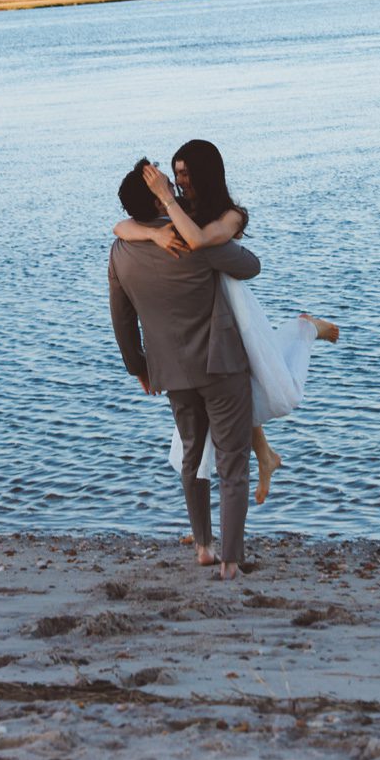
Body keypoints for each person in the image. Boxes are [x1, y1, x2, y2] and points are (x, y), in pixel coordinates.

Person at [114, 139, 338, 503]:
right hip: (206, 316)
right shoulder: (178, 210)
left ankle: (305, 329)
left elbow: (200, 241)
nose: (177, 181)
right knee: (238, 396)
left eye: (184, 174)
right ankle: (262, 458)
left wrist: (166, 205)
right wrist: (155, 231)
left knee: (269, 382)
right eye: (175, 174)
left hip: (234, 313)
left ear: (205, 173)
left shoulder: (231, 215)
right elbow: (120, 227)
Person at [108, 158, 262, 580]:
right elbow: (250, 267)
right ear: (159, 194)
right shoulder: (192, 240)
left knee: (192, 455)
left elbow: (121, 318)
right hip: (220, 364)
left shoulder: (121, 249)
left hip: (170, 370)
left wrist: (138, 368)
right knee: (232, 460)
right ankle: (231, 560)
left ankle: (203, 547)